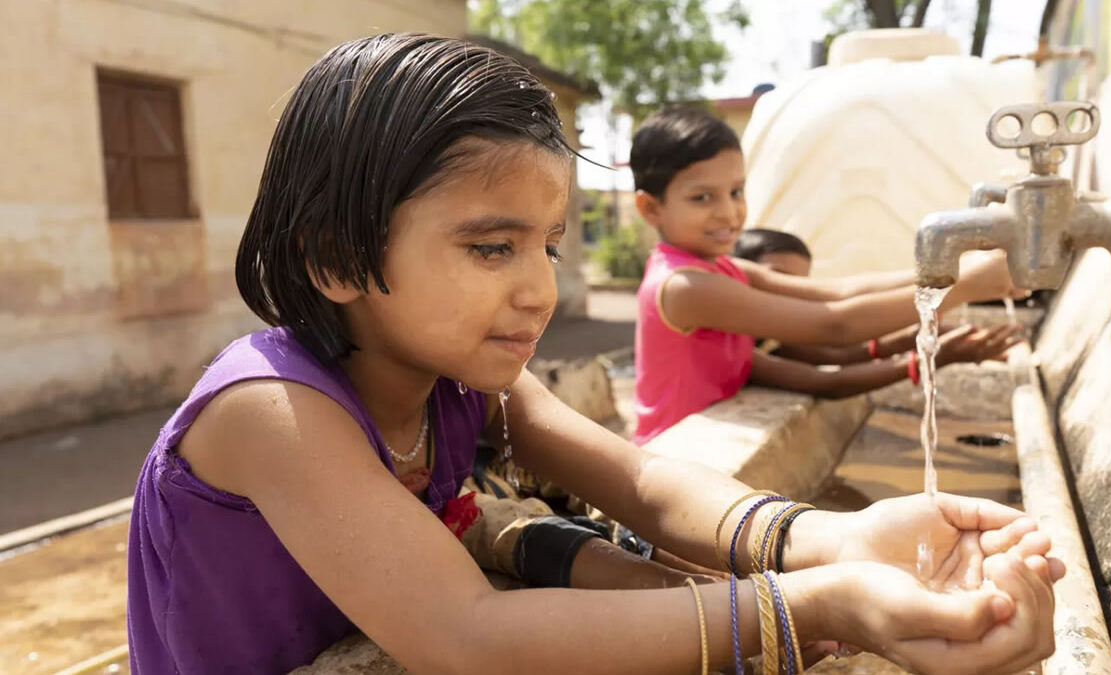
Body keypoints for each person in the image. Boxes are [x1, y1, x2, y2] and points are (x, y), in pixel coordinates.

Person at [126, 34, 1061, 674]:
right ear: (334, 256)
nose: (537, 288)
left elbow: (646, 485)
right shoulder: (271, 412)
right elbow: (473, 634)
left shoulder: (463, 380)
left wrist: (836, 538)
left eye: (550, 244)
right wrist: (816, 607)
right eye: (492, 247)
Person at [630, 106, 1026, 444]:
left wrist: (952, 267)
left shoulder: (721, 269)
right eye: (702, 197)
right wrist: (965, 285)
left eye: (736, 191)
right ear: (650, 209)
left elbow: (836, 292)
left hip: (704, 452)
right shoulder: (685, 286)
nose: (729, 213)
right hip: (671, 462)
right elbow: (834, 326)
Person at [730, 228, 1023, 399]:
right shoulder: (733, 339)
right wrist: (932, 356)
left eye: (797, 285)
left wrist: (916, 335)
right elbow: (826, 377)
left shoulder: (771, 335)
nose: (787, 292)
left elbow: (837, 354)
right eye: (780, 279)